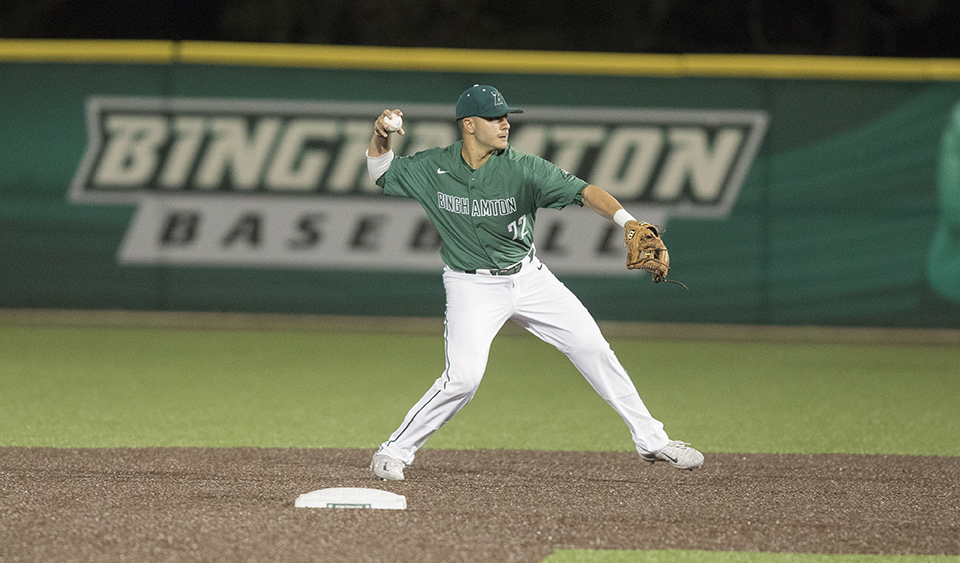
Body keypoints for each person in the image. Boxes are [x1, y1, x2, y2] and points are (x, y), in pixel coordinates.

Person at [365, 84, 703, 481]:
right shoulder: (432, 167)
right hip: (471, 286)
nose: (505, 123)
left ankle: (652, 439)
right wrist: (381, 135)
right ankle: (394, 451)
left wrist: (626, 221)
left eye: (507, 116)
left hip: (530, 279)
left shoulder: (524, 168)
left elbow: (586, 192)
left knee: (593, 347)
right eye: (495, 117)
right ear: (469, 125)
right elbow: (381, 171)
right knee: (463, 378)